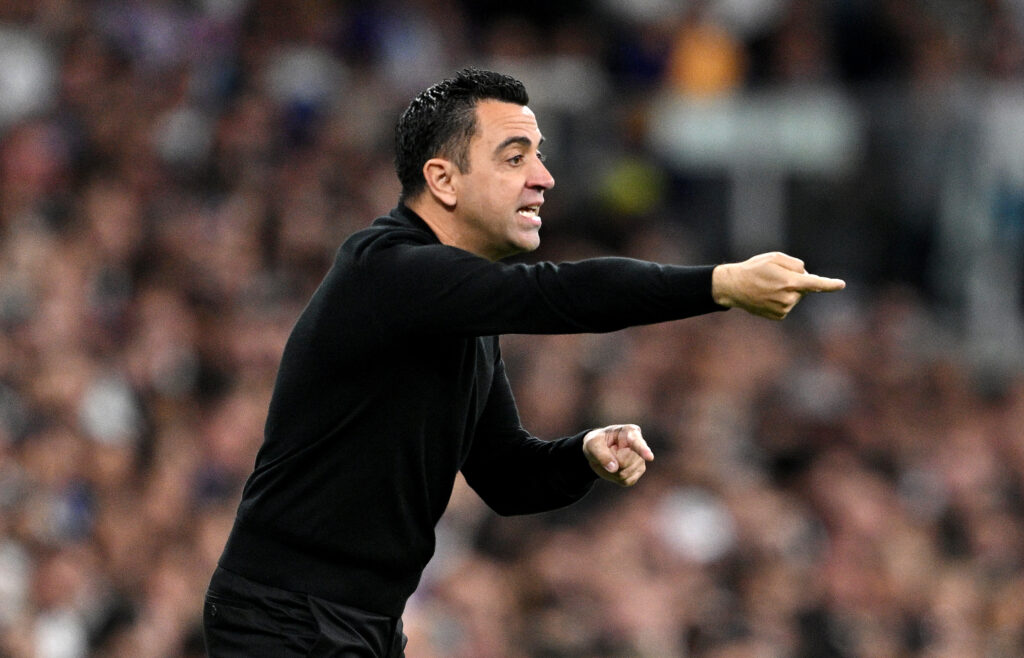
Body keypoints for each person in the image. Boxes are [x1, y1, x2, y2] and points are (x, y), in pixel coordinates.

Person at [203, 68, 845, 657]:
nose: (543, 177)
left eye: (539, 155)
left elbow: (507, 476)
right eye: (515, 158)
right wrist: (719, 284)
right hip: (284, 617)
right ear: (443, 179)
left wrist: (583, 454)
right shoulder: (387, 270)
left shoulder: (458, 311)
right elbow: (558, 293)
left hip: (361, 623)